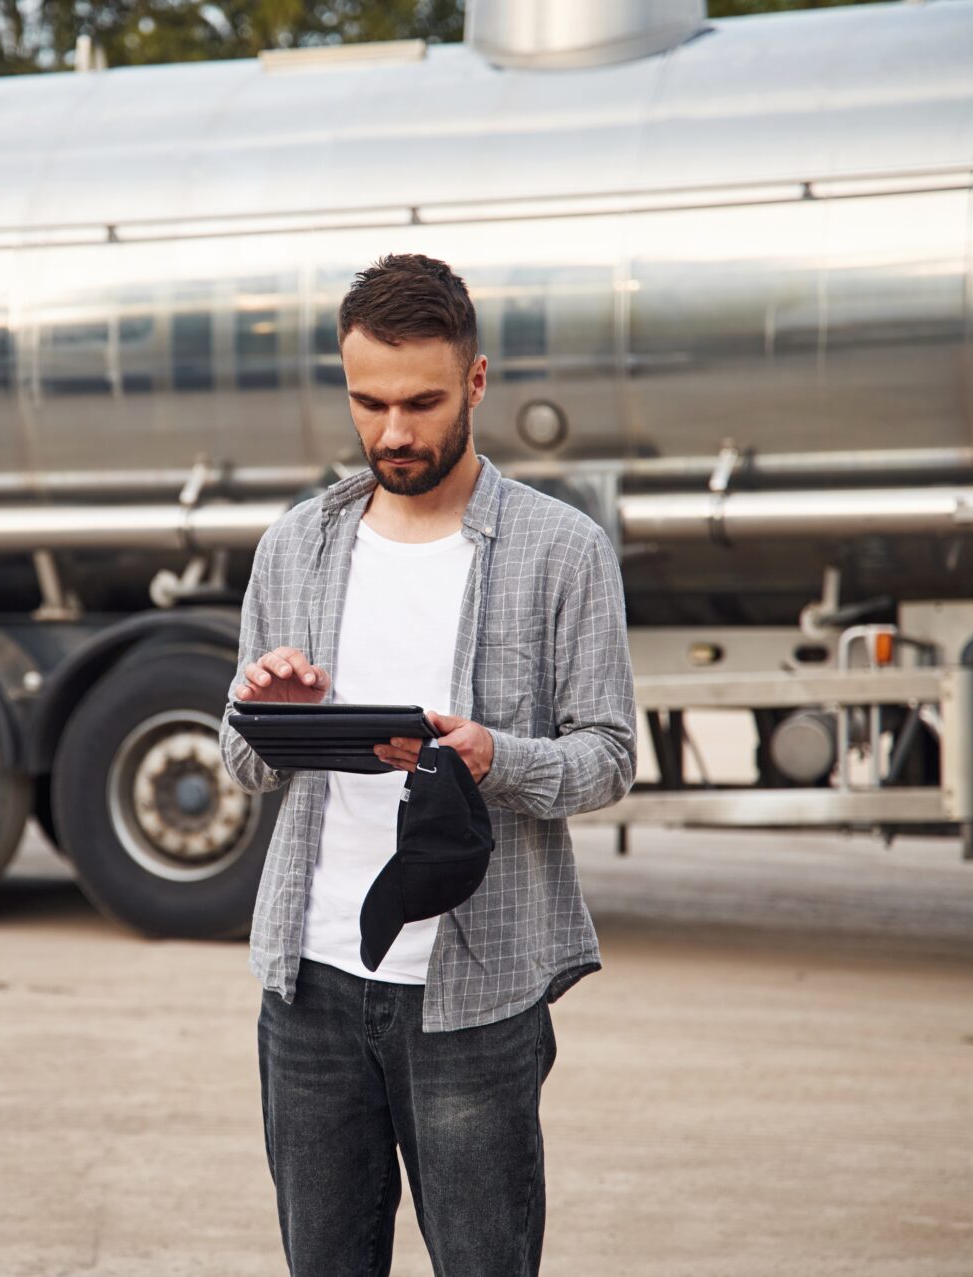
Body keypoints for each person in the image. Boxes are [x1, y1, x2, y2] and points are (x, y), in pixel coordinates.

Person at [219, 252, 637, 1275]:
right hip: (310, 983)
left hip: (474, 992)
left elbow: (611, 754)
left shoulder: (560, 548)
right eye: (369, 402)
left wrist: (498, 758)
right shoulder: (296, 547)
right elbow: (241, 760)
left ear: (477, 382)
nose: (394, 432)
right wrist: (267, 714)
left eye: (422, 401)